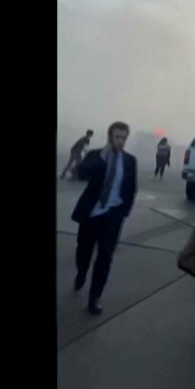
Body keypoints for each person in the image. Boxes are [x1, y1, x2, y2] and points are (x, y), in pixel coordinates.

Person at [70, 122, 138, 315]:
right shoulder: (96, 155)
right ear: (110, 137)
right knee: (83, 249)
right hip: (92, 213)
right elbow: (82, 174)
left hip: (113, 215)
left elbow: (132, 188)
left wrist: (123, 212)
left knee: (105, 256)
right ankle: (81, 272)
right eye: (117, 137)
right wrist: (102, 157)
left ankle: (94, 298)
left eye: (123, 138)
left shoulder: (130, 161)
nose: (120, 141)